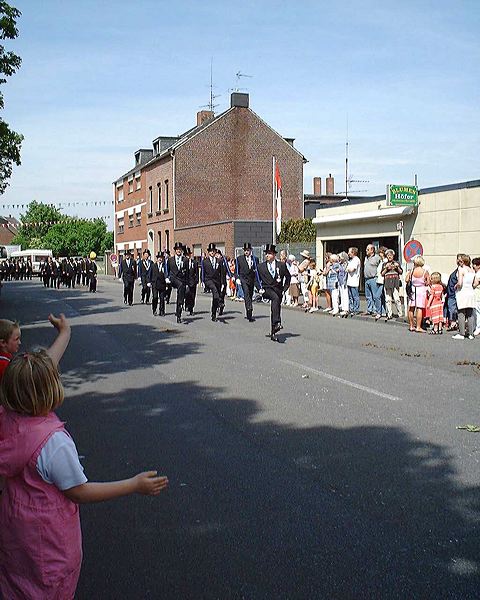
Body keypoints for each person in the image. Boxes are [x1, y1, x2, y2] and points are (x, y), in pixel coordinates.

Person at [0, 348, 168, 600]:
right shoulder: (53, 443)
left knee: (18, 583)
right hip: (48, 543)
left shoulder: (8, 421)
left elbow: (32, 377)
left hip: (16, 532)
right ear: (51, 389)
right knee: (50, 588)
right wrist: (134, 484)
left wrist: (64, 334)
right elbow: (79, 491)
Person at [0, 313, 71, 382]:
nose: (19, 342)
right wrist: (65, 332)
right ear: (3, 343)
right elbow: (38, 374)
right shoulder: (3, 366)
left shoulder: (6, 360)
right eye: (16, 339)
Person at [257, 244, 291, 342]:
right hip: (266, 289)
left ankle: (273, 331)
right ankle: (277, 322)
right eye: (266, 254)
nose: (267, 255)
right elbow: (255, 278)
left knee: (275, 308)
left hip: (278, 290)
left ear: (274, 255)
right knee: (275, 299)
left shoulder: (281, 265)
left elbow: (288, 277)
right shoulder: (261, 267)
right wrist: (259, 288)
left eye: (269, 254)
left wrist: (285, 288)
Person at [235, 242, 261, 322]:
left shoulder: (255, 259)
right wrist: (237, 278)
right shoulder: (239, 259)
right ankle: (249, 308)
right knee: (246, 293)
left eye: (248, 250)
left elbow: (257, 271)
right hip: (243, 279)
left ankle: (249, 314)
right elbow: (237, 270)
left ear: (251, 250)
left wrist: (259, 283)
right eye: (245, 250)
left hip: (251, 280)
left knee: (249, 295)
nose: (246, 252)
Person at [452, 254, 476, 340]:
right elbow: (475, 283)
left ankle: (461, 333)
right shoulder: (472, 271)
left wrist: (456, 286)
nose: (458, 261)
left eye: (460, 260)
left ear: (463, 261)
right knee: (470, 314)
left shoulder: (461, 269)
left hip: (462, 292)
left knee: (461, 313)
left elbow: (460, 283)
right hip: (470, 292)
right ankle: (471, 334)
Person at [201, 243, 226, 322]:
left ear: (215, 252)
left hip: (217, 280)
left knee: (215, 297)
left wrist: (222, 283)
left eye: (213, 251)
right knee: (214, 290)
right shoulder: (205, 261)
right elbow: (202, 272)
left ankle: (214, 313)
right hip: (208, 280)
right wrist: (202, 281)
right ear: (208, 252)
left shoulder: (219, 261)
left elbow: (222, 273)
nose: (212, 252)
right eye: (211, 251)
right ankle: (219, 302)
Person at [405, 255, 430, 332]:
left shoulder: (412, 271)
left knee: (411, 308)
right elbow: (428, 282)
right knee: (419, 308)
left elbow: (406, 280)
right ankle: (418, 327)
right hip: (421, 290)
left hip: (413, 290)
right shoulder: (425, 271)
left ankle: (411, 325)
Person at [167, 242, 188, 323]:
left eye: (180, 249)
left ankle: (178, 312)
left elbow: (187, 272)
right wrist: (167, 278)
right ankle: (181, 302)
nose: (179, 251)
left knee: (181, 294)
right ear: (175, 250)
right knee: (180, 286)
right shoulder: (170, 260)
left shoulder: (185, 260)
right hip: (173, 278)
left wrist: (187, 283)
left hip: (182, 279)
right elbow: (167, 270)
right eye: (177, 249)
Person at [381, 249, 403, 321]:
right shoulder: (384, 264)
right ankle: (389, 314)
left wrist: (397, 267)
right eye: (388, 255)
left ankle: (400, 314)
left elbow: (401, 272)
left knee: (397, 299)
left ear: (393, 255)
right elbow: (382, 274)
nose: (389, 256)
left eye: (391, 255)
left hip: (395, 282)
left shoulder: (397, 263)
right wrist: (386, 268)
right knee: (388, 299)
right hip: (387, 282)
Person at [364, 244, 382, 318]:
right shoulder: (366, 258)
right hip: (366, 279)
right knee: (368, 296)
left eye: (368, 249)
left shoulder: (377, 258)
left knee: (375, 295)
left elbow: (381, 266)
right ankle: (369, 310)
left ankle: (375, 310)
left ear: (372, 250)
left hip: (373, 278)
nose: (366, 251)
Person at [151, 252, 167, 316]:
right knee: (155, 297)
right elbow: (150, 274)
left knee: (162, 298)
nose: (160, 259)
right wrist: (149, 282)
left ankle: (162, 311)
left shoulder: (164, 266)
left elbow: (167, 274)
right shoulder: (153, 266)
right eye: (159, 258)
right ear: (157, 259)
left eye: (161, 258)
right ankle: (154, 309)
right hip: (155, 284)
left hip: (162, 284)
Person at [346, 247, 361, 316]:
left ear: (353, 252)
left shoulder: (356, 260)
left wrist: (348, 269)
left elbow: (352, 270)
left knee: (355, 296)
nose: (348, 253)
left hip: (354, 281)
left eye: (349, 252)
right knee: (350, 296)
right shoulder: (351, 260)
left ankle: (356, 309)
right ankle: (351, 309)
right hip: (349, 281)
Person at [185, 248, 199, 315]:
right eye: (186, 255)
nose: (188, 256)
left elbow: (197, 272)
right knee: (187, 294)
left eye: (189, 255)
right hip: (186, 281)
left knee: (193, 296)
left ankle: (191, 309)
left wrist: (197, 280)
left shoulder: (195, 262)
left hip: (193, 281)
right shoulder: (184, 263)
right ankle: (186, 305)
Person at [473, 257, 480, 336]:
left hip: (478, 294)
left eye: (474, 264)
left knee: (477, 312)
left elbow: (475, 284)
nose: (473, 266)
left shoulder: (478, 274)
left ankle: (478, 328)